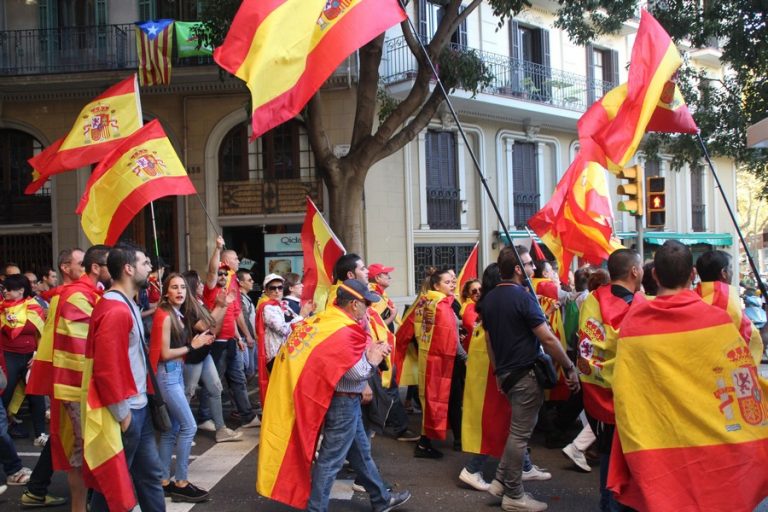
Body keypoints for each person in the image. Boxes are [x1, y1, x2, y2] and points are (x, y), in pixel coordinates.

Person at [609, 240, 768, 510]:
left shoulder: (633, 325)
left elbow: (625, 391)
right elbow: (742, 381)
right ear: (693, 274)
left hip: (657, 444)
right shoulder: (718, 321)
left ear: (654, 275)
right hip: (710, 445)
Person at [257, 279, 411, 512]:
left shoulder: (324, 320)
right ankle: (316, 508)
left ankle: (381, 500)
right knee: (331, 460)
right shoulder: (344, 330)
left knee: (360, 454)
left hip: (335, 398)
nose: (369, 308)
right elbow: (355, 373)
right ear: (353, 304)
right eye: (366, 303)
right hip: (342, 400)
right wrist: (374, 357)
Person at [481, 246, 579, 512]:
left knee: (517, 431)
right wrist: (569, 366)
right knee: (519, 435)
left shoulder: (489, 298)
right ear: (517, 269)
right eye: (528, 264)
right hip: (524, 375)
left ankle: (500, 481)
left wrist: (498, 372)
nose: (533, 268)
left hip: (507, 374)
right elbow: (547, 338)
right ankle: (514, 494)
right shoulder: (523, 297)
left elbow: (490, 342)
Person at [24, 244, 111, 510]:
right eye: (81, 262)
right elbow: (78, 344)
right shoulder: (73, 296)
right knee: (80, 449)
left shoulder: (81, 294)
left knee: (73, 445)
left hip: (74, 383)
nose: (86, 266)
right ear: (66, 267)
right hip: (75, 383)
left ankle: (42, 490)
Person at [82, 242, 165, 512]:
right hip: (127, 410)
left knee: (149, 475)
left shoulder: (126, 304)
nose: (150, 267)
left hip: (136, 406)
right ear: (128, 269)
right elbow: (107, 369)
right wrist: (123, 414)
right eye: (145, 263)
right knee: (112, 485)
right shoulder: (116, 309)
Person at [576, 248, 643, 511]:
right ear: (634, 271)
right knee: (625, 460)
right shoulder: (638, 306)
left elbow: (585, 341)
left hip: (595, 389)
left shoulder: (592, 300)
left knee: (607, 454)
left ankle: (608, 504)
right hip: (628, 393)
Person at [149, 273, 215, 503]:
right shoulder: (165, 315)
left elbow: (209, 325)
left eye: (183, 288)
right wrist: (192, 346)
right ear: (166, 292)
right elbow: (164, 353)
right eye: (174, 287)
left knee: (172, 429)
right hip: (168, 375)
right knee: (189, 426)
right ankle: (181, 483)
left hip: (173, 374)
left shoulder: (176, 313)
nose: (179, 291)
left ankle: (163, 481)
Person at [201, 236, 259, 428]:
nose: (223, 276)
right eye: (221, 273)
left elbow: (234, 314)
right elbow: (212, 271)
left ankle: (247, 416)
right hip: (216, 341)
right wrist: (217, 248)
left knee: (238, 379)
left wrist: (239, 336)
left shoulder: (231, 281)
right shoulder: (211, 287)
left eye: (226, 274)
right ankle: (204, 417)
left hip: (230, 340)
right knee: (213, 382)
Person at [181, 271, 242, 443]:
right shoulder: (188, 307)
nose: (202, 285)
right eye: (199, 282)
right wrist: (220, 306)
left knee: (215, 389)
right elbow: (204, 326)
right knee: (188, 392)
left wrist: (223, 305)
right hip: (193, 354)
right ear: (192, 285)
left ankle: (221, 429)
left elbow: (214, 328)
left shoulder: (199, 303)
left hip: (204, 352)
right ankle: (181, 432)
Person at [1, 274, 48, 446]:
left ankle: (40, 434)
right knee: (4, 394)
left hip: (31, 357)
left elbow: (44, 334)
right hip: (8, 357)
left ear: (21, 290)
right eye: (4, 288)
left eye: (9, 289)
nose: (5, 291)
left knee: (36, 396)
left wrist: (37, 356)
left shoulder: (34, 307)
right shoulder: (1, 308)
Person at [695, 250, 764, 363]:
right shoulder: (728, 300)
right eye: (731, 268)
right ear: (724, 273)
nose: (732, 272)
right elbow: (748, 336)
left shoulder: (692, 295)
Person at [256, 273, 313, 406]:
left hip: (283, 353)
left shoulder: (278, 305)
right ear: (266, 290)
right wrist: (302, 315)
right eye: (273, 288)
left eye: (280, 287)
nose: (277, 291)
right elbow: (284, 329)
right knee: (282, 393)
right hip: (276, 355)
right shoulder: (268, 308)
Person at [237, 270, 258, 380]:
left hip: (249, 337)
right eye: (249, 280)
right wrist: (248, 336)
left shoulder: (245, 297)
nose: (252, 281)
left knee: (251, 370)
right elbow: (243, 319)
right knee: (248, 371)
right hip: (245, 338)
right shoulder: (240, 298)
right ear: (241, 283)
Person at [368, 264, 398, 330]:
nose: (389, 277)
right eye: (386, 274)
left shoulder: (377, 294)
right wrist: (392, 317)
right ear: (377, 278)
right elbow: (375, 326)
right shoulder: (375, 298)